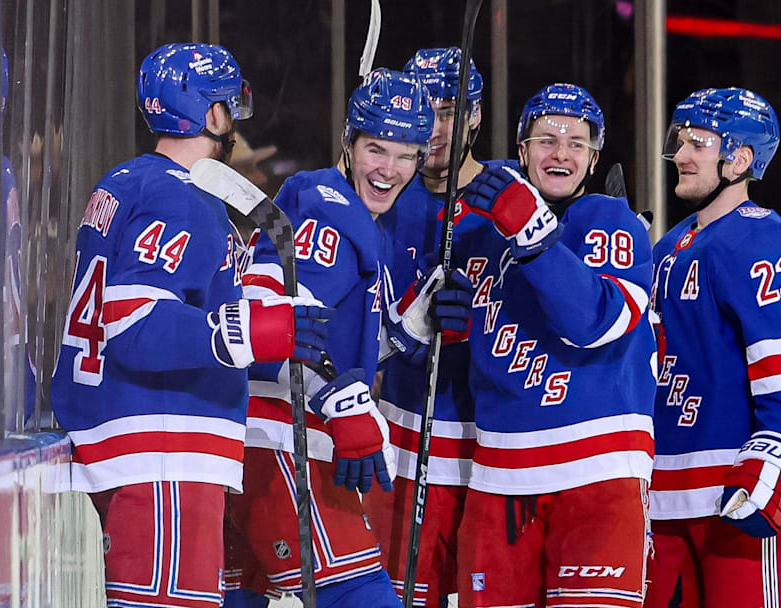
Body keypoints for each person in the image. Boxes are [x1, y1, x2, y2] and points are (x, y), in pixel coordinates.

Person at [50, 43, 330, 608]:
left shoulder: (129, 181)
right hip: (162, 453)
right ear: (212, 115)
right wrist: (253, 331)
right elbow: (131, 322)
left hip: (137, 449)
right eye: (230, 105)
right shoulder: (180, 198)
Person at [225, 68, 467, 607]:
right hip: (282, 442)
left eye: (408, 154)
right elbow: (272, 320)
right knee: (359, 594)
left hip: (258, 439)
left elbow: (325, 332)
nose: (390, 170)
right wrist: (344, 400)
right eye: (377, 149)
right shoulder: (325, 207)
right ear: (348, 142)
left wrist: (405, 329)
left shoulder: (354, 214)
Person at [448, 83, 657, 607]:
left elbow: (593, 323)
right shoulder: (481, 230)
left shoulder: (612, 221)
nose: (560, 152)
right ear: (521, 151)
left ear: (593, 157)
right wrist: (444, 321)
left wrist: (534, 234)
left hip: (598, 467)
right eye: (546, 139)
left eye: (576, 142)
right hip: (498, 469)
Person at [644, 88, 781, 608]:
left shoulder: (762, 239)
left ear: (740, 158)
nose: (681, 154)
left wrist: (774, 454)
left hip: (737, 486)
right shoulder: (666, 246)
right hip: (666, 488)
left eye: (698, 142)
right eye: (680, 141)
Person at [365, 46, 493, 608]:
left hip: (495, 454)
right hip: (404, 447)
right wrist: (405, 335)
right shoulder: (382, 202)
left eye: (451, 109)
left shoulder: (514, 196)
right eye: (426, 110)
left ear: (477, 115)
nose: (438, 127)